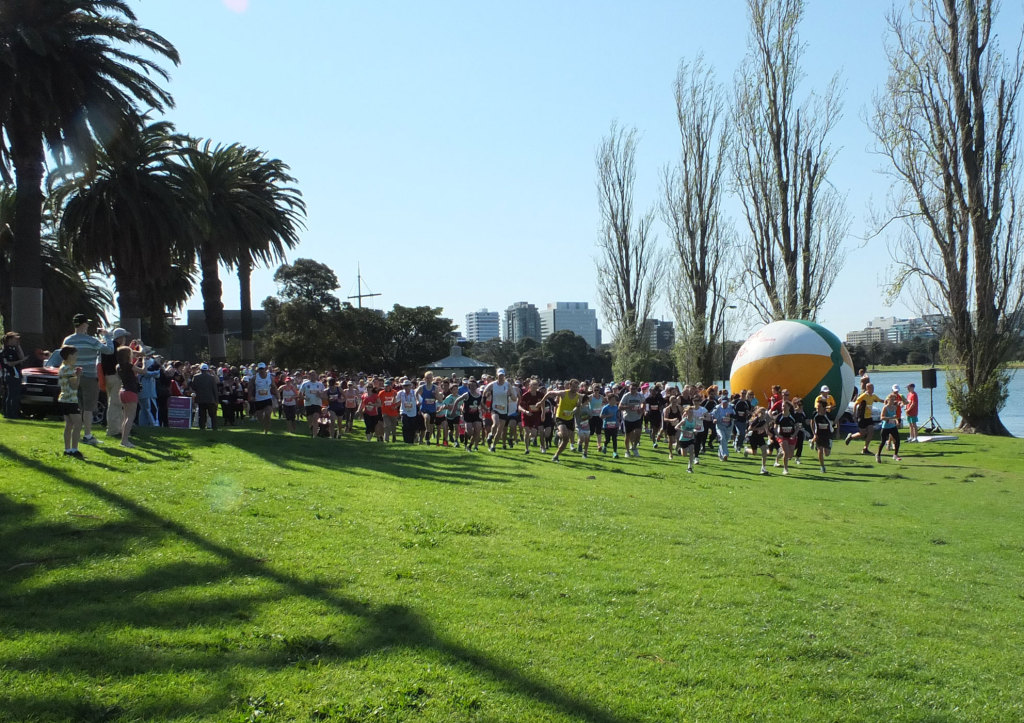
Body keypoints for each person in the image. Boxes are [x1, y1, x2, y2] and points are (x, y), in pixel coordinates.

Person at [51, 314, 115, 445]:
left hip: (72, 375)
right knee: (88, 408)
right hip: (89, 376)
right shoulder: (90, 340)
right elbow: (109, 350)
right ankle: (88, 435)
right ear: (84, 325)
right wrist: (107, 336)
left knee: (76, 407)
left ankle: (77, 434)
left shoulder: (67, 340)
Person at [540, 378, 580, 463]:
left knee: (566, 440)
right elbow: (549, 393)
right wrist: (541, 401)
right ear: (570, 386)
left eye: (577, 387)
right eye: (573, 387)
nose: (575, 389)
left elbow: (578, 406)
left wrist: (573, 411)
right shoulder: (563, 393)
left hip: (570, 418)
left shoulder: (578, 396)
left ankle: (556, 455)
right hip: (560, 417)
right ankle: (558, 434)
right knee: (565, 436)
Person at [101, 328, 131, 436]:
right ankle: (113, 430)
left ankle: (117, 428)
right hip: (115, 377)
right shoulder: (118, 349)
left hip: (107, 377)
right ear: (120, 337)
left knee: (114, 403)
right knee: (115, 404)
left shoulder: (107, 346)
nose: (125, 339)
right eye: (124, 337)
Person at [57, 345, 84, 458]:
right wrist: (78, 376)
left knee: (69, 425)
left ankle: (67, 449)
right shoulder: (69, 369)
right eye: (75, 354)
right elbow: (74, 386)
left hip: (63, 399)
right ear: (69, 356)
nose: (76, 357)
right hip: (71, 400)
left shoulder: (62, 367)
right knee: (78, 424)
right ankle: (74, 449)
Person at [115, 344, 144, 448]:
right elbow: (143, 371)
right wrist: (144, 362)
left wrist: (137, 362)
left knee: (125, 417)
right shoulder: (129, 366)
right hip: (131, 392)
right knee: (130, 418)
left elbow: (130, 371)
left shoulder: (118, 366)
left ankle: (123, 439)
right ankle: (125, 440)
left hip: (123, 391)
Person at [845, 382, 884, 454]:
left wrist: (889, 401)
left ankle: (865, 448)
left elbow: (880, 400)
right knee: (862, 433)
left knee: (871, 431)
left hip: (869, 417)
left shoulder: (873, 396)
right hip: (862, 417)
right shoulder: (863, 396)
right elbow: (856, 403)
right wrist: (854, 414)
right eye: (871, 388)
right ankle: (851, 437)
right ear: (867, 388)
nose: (873, 389)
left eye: (873, 388)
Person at [2, 331, 29, 419]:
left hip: (16, 375)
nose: (16, 341)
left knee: (14, 395)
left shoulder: (13, 349)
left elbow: (21, 356)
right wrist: (21, 361)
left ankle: (12, 413)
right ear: (9, 339)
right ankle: (11, 414)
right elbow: (10, 363)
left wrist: (18, 346)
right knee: (12, 395)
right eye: (14, 339)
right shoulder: (6, 351)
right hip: (11, 375)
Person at [454, 379, 485, 451]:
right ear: (469, 387)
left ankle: (470, 446)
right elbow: (457, 400)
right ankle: (465, 442)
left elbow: (481, 404)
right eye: (471, 386)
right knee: (469, 431)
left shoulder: (479, 396)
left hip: (476, 415)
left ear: (476, 386)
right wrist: (456, 409)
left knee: (477, 430)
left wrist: (487, 409)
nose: (473, 387)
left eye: (474, 386)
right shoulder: (467, 394)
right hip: (467, 415)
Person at [248, 362, 277, 434]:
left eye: (262, 369)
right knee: (260, 417)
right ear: (258, 369)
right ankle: (265, 426)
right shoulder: (255, 377)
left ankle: (266, 430)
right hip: (258, 400)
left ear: (265, 369)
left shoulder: (270, 377)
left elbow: (274, 386)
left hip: (268, 398)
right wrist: (250, 396)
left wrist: (277, 395)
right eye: (260, 369)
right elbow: (250, 387)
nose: (261, 370)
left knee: (268, 414)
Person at [619, 381, 646, 458]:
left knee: (638, 433)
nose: (632, 390)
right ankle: (627, 451)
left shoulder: (640, 396)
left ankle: (634, 447)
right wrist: (628, 407)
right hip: (628, 418)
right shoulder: (626, 396)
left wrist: (641, 409)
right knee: (628, 435)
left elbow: (644, 402)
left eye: (634, 389)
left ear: (637, 389)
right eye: (631, 389)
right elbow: (620, 407)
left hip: (637, 417)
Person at [518, 379, 544, 455]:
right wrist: (525, 411)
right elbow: (519, 407)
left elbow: (543, 404)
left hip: (536, 416)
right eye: (533, 385)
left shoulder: (540, 395)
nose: (535, 387)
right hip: (526, 416)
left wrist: (543, 413)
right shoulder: (525, 395)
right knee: (526, 432)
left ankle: (530, 438)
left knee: (533, 433)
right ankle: (526, 449)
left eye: (536, 385)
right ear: (530, 386)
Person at [191, 363, 220, 431]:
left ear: (200, 369)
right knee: (212, 415)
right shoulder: (211, 378)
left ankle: (202, 427)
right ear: (207, 370)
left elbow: (193, 387)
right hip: (210, 399)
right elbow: (214, 389)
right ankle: (214, 427)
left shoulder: (195, 377)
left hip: (201, 399)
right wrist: (216, 400)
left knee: (202, 415)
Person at [774, 401, 800, 475]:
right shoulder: (779, 416)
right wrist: (778, 435)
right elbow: (775, 428)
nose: (783, 408)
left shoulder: (793, 416)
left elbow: (797, 427)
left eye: (785, 406)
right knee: (786, 452)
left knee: (790, 455)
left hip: (791, 436)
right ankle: (785, 469)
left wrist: (794, 435)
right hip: (782, 437)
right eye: (782, 406)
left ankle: (779, 455)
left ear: (789, 407)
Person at [877, 393, 903, 463]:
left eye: (893, 400)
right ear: (888, 400)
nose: (892, 401)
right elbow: (882, 417)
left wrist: (897, 421)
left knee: (897, 440)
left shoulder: (894, 407)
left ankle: (895, 455)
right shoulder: (885, 407)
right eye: (891, 399)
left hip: (892, 426)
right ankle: (878, 455)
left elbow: (895, 416)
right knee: (883, 442)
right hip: (885, 427)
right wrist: (891, 418)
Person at [299, 371, 326, 438]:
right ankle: (312, 430)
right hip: (308, 404)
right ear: (309, 376)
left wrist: (320, 395)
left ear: (316, 376)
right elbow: (300, 394)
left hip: (317, 403)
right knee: (310, 420)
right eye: (311, 375)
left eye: (314, 375)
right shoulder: (305, 384)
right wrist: (304, 398)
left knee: (315, 417)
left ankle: (315, 435)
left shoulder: (320, 384)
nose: (313, 377)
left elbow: (324, 395)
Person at [811, 399, 834, 473]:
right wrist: (814, 434)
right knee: (820, 450)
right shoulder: (815, 414)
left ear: (824, 407)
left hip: (828, 435)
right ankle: (822, 467)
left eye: (819, 407)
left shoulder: (828, 415)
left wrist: (836, 432)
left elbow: (834, 424)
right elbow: (812, 423)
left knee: (826, 454)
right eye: (817, 407)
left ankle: (812, 442)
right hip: (819, 435)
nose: (817, 408)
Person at [396, 379, 422, 444]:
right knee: (405, 426)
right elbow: (396, 401)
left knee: (412, 427)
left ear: (410, 386)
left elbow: (420, 401)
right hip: (404, 412)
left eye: (407, 386)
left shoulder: (414, 392)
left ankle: (411, 440)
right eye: (405, 386)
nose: (406, 387)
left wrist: (418, 406)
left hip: (413, 412)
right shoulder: (400, 393)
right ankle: (406, 441)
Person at [710, 395, 735, 461]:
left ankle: (720, 455)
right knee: (722, 438)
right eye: (723, 402)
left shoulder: (731, 407)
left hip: (728, 426)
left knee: (724, 441)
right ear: (721, 402)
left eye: (726, 402)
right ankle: (725, 454)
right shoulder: (717, 408)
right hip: (720, 426)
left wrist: (730, 416)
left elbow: (735, 416)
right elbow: (712, 414)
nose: (724, 404)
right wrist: (714, 419)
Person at [600, 392, 622, 459]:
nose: (614, 401)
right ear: (608, 400)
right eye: (612, 400)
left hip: (615, 425)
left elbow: (618, 415)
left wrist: (619, 418)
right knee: (608, 439)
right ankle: (605, 445)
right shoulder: (605, 408)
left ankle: (615, 452)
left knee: (614, 439)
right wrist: (608, 416)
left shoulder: (616, 407)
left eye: (615, 400)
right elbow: (601, 416)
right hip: (607, 426)